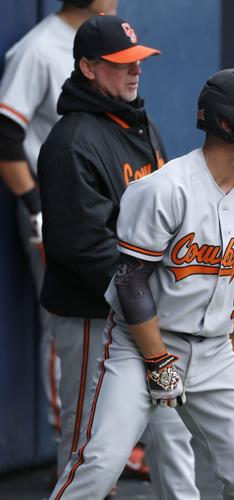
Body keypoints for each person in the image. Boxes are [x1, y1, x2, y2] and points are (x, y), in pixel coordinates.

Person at [49, 68, 234, 500]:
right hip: (138, 345)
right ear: (227, 122)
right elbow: (130, 281)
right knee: (100, 463)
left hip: (216, 352)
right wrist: (158, 360)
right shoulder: (165, 189)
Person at [38, 14, 200, 500]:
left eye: (138, 62)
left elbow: (168, 207)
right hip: (93, 315)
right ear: (88, 67)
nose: (135, 72)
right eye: (121, 64)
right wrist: (146, 297)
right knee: (90, 447)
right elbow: (83, 248)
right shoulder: (71, 143)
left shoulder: (138, 122)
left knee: (172, 436)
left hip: (146, 311)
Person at [0, 0, 117, 437]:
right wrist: (36, 209)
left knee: (107, 322)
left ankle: (105, 438)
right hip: (53, 209)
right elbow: (6, 136)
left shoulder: (101, 43)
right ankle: (69, 445)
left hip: (97, 207)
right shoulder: (37, 49)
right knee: (63, 327)